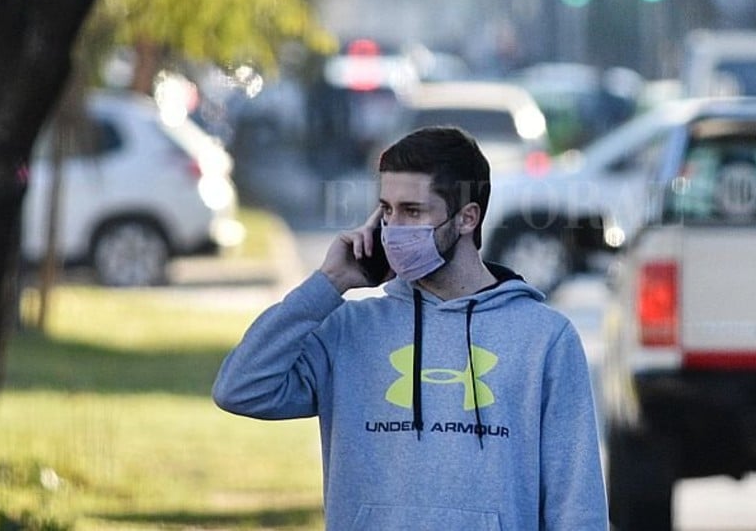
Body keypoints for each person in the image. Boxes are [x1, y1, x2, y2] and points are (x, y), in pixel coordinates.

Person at [213, 126, 608, 530]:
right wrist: (328, 284)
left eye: (412, 211)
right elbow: (241, 388)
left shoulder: (544, 338)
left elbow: (576, 503)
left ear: (467, 218)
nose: (394, 228)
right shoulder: (349, 328)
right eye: (386, 210)